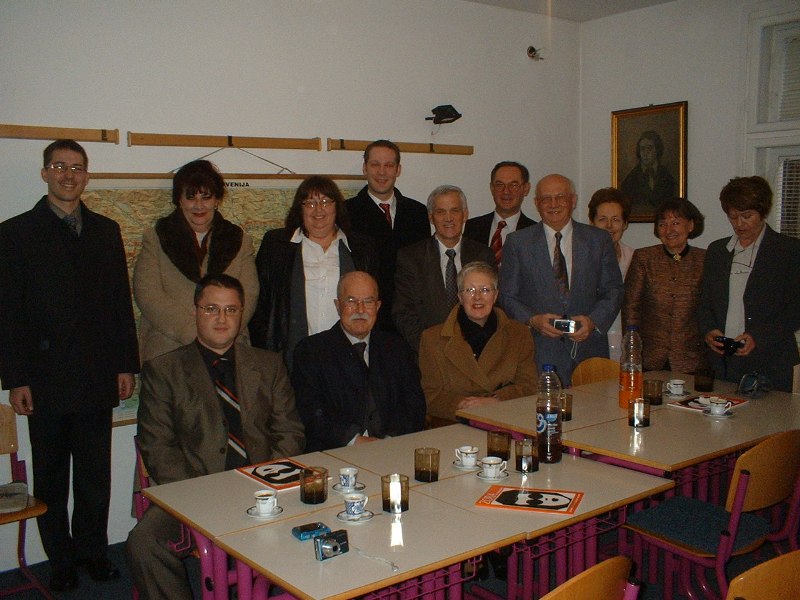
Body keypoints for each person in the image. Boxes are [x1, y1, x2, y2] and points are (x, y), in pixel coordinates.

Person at [0, 140, 139, 592]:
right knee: (52, 476)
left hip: (97, 375)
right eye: (59, 166)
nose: (68, 175)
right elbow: (7, 312)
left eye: (77, 168)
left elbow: (119, 302)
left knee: (96, 476)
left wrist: (125, 365)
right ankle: (59, 560)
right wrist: (15, 379)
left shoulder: (106, 230)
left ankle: (93, 552)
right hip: (45, 380)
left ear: (86, 175)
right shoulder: (15, 233)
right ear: (45, 173)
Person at [126, 274, 305, 600]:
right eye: (211, 309)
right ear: (195, 311)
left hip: (264, 488)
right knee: (144, 542)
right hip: (194, 491)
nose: (222, 318)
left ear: (241, 314)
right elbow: (158, 447)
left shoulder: (268, 364)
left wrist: (265, 481)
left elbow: (290, 432)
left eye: (231, 310)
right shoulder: (164, 370)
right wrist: (205, 495)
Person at [499, 174, 623, 386]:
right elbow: (507, 295)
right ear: (536, 203)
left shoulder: (599, 239)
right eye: (546, 199)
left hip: (589, 350)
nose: (553, 204)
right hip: (539, 351)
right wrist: (533, 320)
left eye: (560, 197)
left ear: (573, 200)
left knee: (594, 406)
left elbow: (613, 290)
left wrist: (593, 321)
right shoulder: (517, 243)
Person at [134, 159, 258, 363]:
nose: (199, 205)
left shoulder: (240, 240)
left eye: (206, 197)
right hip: (169, 351)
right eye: (191, 197)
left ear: (217, 200)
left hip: (229, 350)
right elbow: (149, 295)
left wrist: (219, 337)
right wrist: (197, 336)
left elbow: (248, 295)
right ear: (179, 200)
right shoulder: (156, 238)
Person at [249, 175, 378, 368]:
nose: (319, 210)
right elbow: (261, 306)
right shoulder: (276, 246)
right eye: (310, 203)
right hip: (291, 358)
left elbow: (373, 304)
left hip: (347, 357)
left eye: (326, 202)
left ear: (336, 207)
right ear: (299, 209)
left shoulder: (362, 248)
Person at [292, 271, 426, 452]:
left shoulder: (397, 348)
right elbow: (310, 409)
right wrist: (354, 440)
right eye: (351, 301)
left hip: (393, 450)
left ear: (378, 306)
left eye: (368, 302)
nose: (360, 310)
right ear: (338, 305)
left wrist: (390, 440)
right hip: (336, 453)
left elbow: (414, 404)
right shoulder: (311, 351)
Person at [698, 176, 800, 391]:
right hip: (723, 361)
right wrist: (708, 330)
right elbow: (704, 301)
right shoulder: (717, 251)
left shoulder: (788, 251)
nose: (739, 224)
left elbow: (795, 310)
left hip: (771, 361)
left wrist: (759, 337)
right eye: (733, 216)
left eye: (747, 216)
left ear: (763, 213)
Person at [419, 261, 537, 422]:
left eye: (485, 290)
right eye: (470, 290)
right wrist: (464, 405)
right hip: (454, 424)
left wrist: (496, 400)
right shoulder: (432, 338)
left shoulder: (519, 333)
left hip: (507, 420)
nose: (477, 297)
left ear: (495, 295)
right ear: (460, 297)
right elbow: (429, 395)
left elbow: (529, 386)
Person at [393, 185, 495, 352]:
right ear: (431, 217)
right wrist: (431, 349)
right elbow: (403, 313)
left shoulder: (483, 255)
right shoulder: (410, 258)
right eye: (441, 212)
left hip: (476, 352)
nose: (448, 218)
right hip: (429, 352)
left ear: (465, 214)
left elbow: (493, 305)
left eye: (455, 210)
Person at [346, 140, 430, 329]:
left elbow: (423, 268)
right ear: (365, 168)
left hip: (410, 317)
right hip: (366, 315)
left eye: (389, 165)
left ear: (398, 170)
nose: (382, 172)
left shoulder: (417, 212)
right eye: (375, 164)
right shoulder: (346, 213)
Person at [623, 198, 706, 373]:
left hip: (690, 358)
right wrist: (632, 349)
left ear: (690, 225)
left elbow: (709, 309)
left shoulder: (704, 260)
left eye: (675, 223)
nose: (669, 230)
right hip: (650, 356)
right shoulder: (644, 258)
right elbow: (631, 307)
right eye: (662, 224)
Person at [588, 188, 634, 361]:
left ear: (625, 224)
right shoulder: (579, 259)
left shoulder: (634, 257)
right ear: (592, 223)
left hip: (627, 340)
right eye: (602, 219)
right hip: (592, 339)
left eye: (616, 220)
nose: (609, 226)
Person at [463, 161, 536, 265]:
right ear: (492, 188)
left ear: (526, 189)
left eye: (513, 185)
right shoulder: (472, 227)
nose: (506, 191)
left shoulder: (535, 232)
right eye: (499, 185)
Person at [621, 130, 677, 216]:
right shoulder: (630, 179)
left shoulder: (667, 177)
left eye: (649, 148)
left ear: (657, 150)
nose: (645, 153)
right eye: (642, 149)